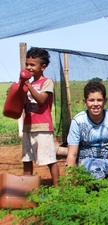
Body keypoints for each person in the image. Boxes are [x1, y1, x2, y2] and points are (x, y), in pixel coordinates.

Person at [22, 47, 59, 187]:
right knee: (26, 158)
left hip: (43, 127)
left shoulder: (47, 82)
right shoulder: (28, 84)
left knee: (49, 158)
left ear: (43, 67)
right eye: (27, 64)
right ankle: (27, 189)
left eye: (32, 65)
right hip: (28, 126)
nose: (28, 67)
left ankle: (58, 189)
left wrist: (28, 86)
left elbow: (42, 100)